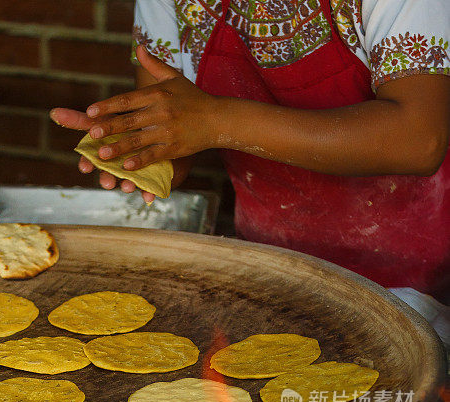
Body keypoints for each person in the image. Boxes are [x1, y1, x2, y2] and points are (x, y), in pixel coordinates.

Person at [51, 0, 450, 306]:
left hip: (417, 284)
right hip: (267, 270)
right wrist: (135, 148)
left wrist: (217, 121)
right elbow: (177, 121)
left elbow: (418, 139)